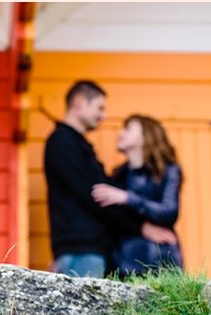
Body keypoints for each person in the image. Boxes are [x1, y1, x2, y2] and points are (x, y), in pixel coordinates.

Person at [44, 80, 177, 278]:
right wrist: (141, 227)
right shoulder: (63, 142)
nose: (103, 116)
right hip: (82, 250)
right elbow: (93, 196)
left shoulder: (78, 145)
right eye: (99, 108)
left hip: (97, 252)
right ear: (80, 102)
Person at [91, 115, 184, 278]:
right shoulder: (118, 176)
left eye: (128, 128)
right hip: (122, 263)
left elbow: (169, 211)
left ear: (146, 135)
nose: (120, 133)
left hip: (160, 259)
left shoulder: (168, 170)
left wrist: (129, 198)